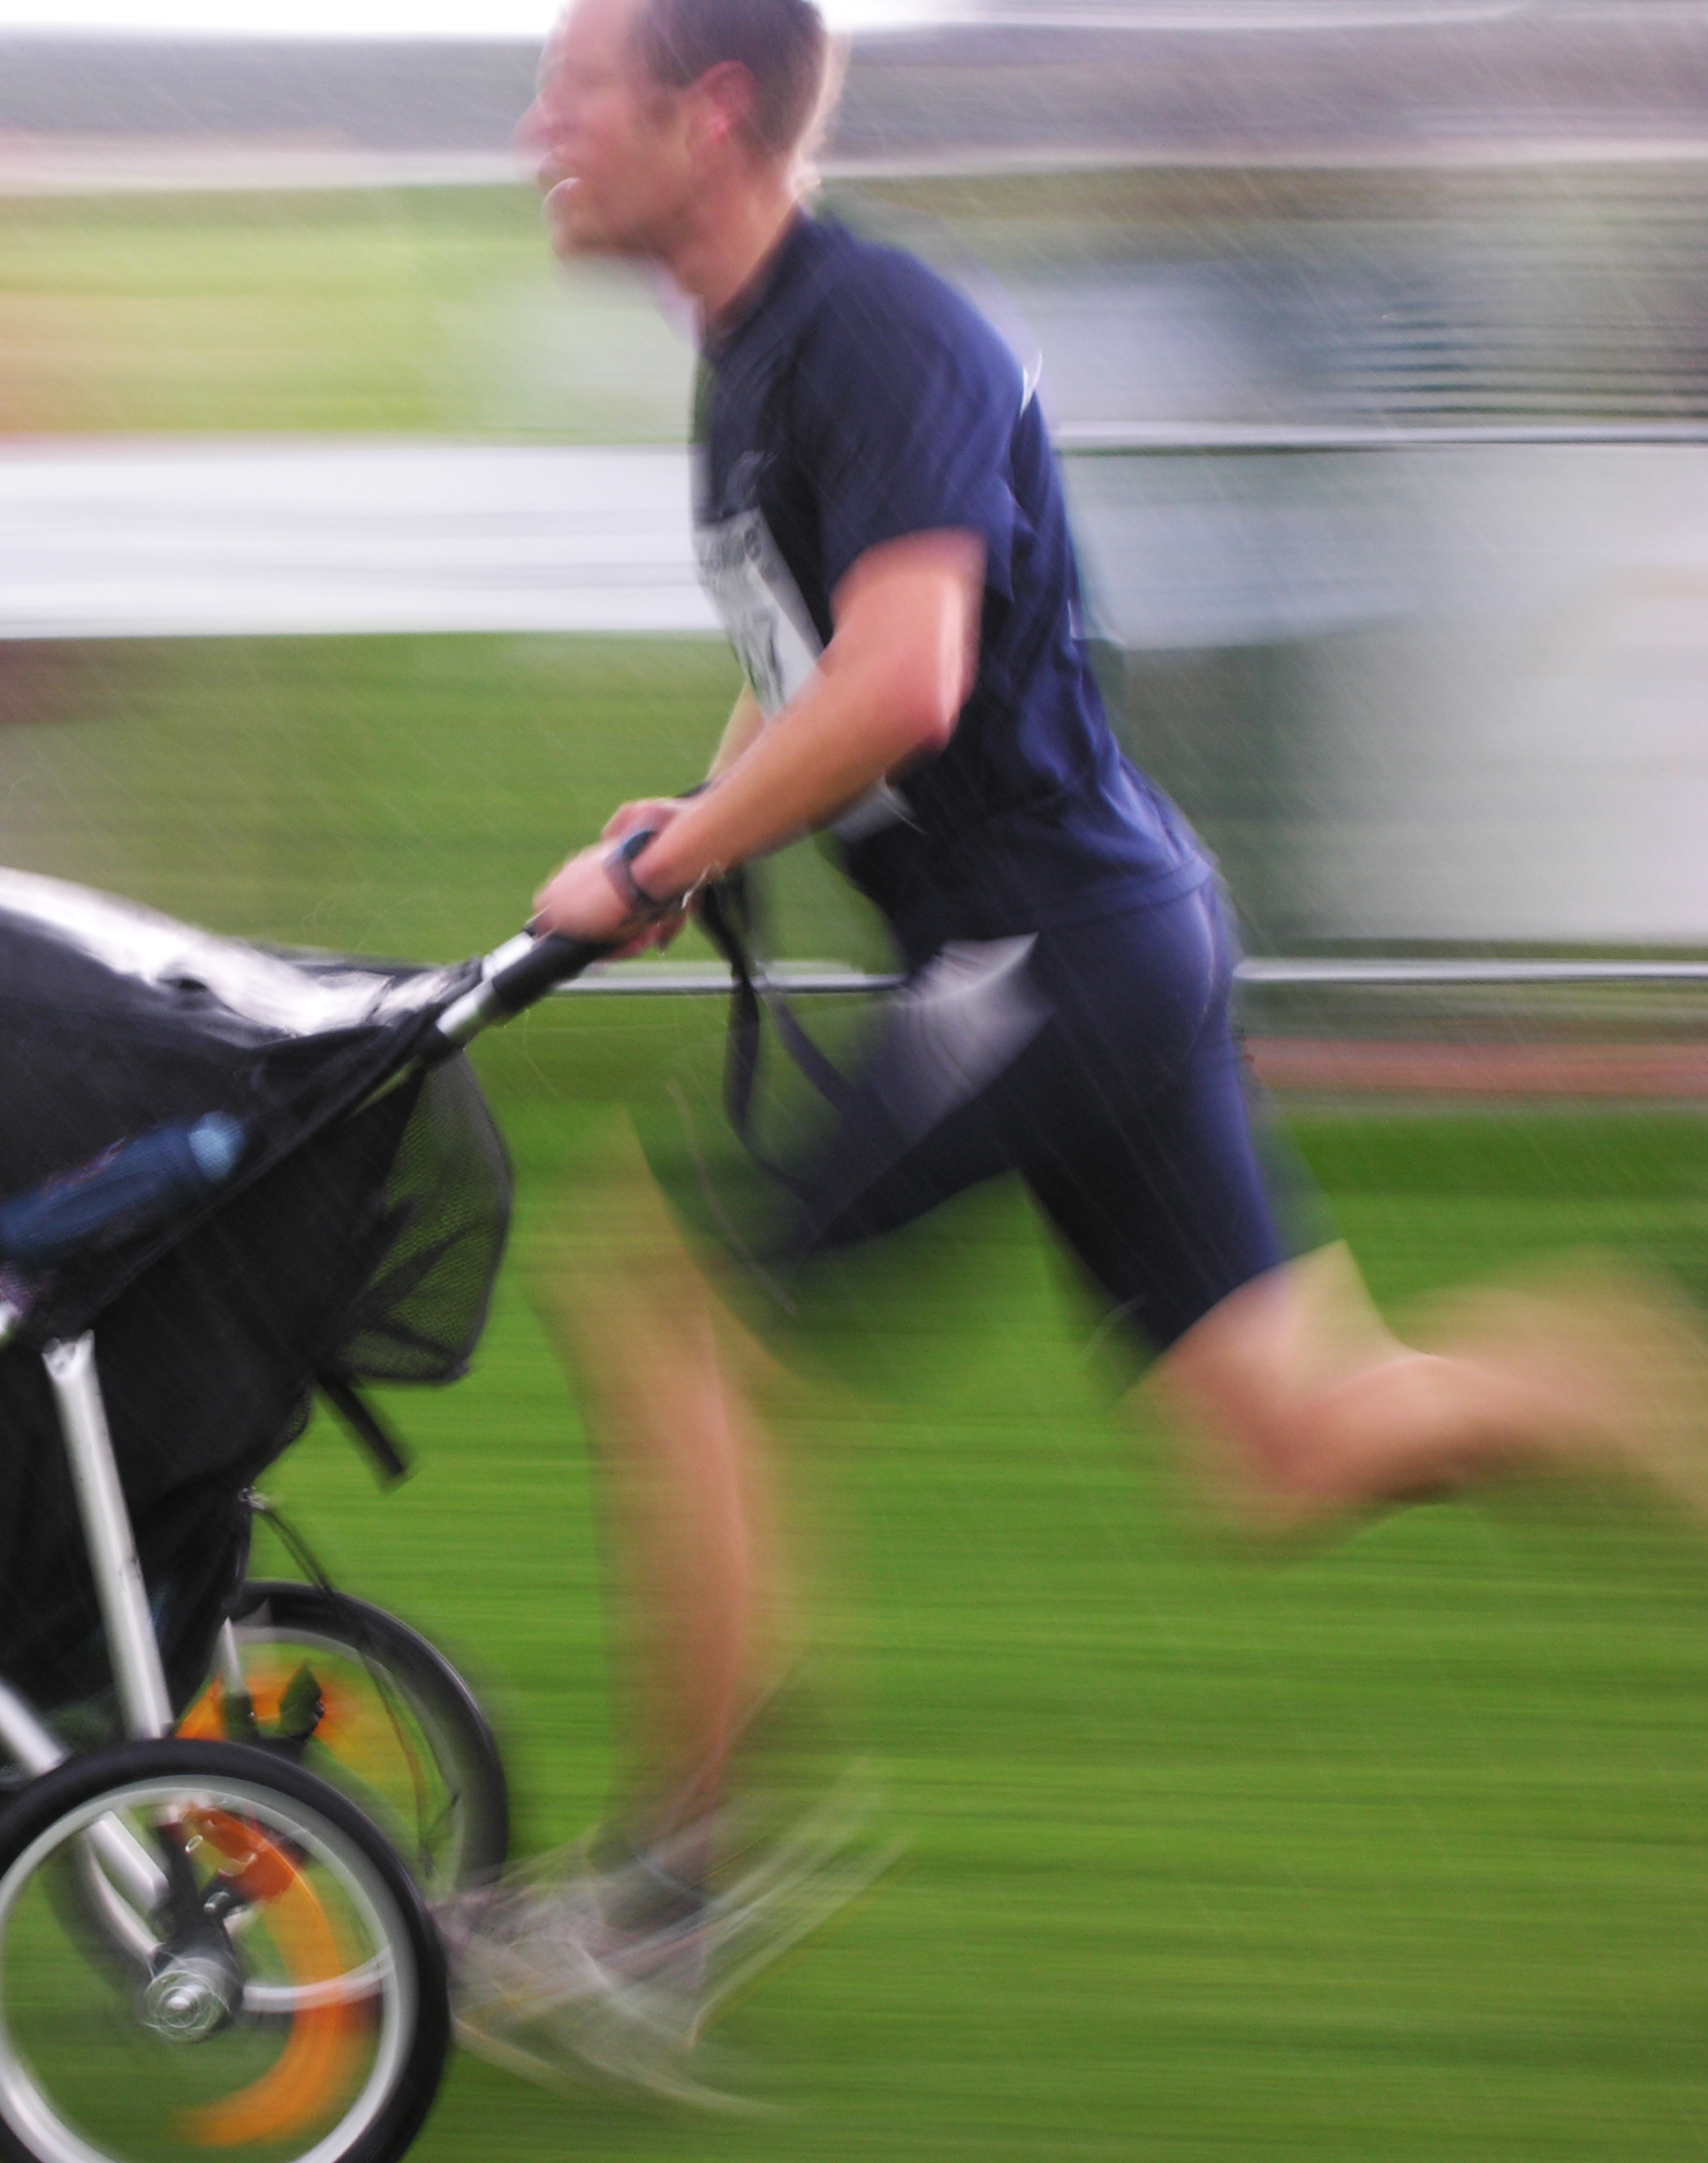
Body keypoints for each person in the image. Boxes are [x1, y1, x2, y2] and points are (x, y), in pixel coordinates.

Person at [457, 0, 1708, 2097]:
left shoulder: (874, 331)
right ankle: (1628, 1382)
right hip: (1078, 946)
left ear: (714, 111)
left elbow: (913, 676)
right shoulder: (758, 353)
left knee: (663, 1298)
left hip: (1051, 945)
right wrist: (683, 843)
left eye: (575, 94)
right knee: (1293, 1448)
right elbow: (810, 671)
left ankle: (672, 1904)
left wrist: (678, 850)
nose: (535, 133)